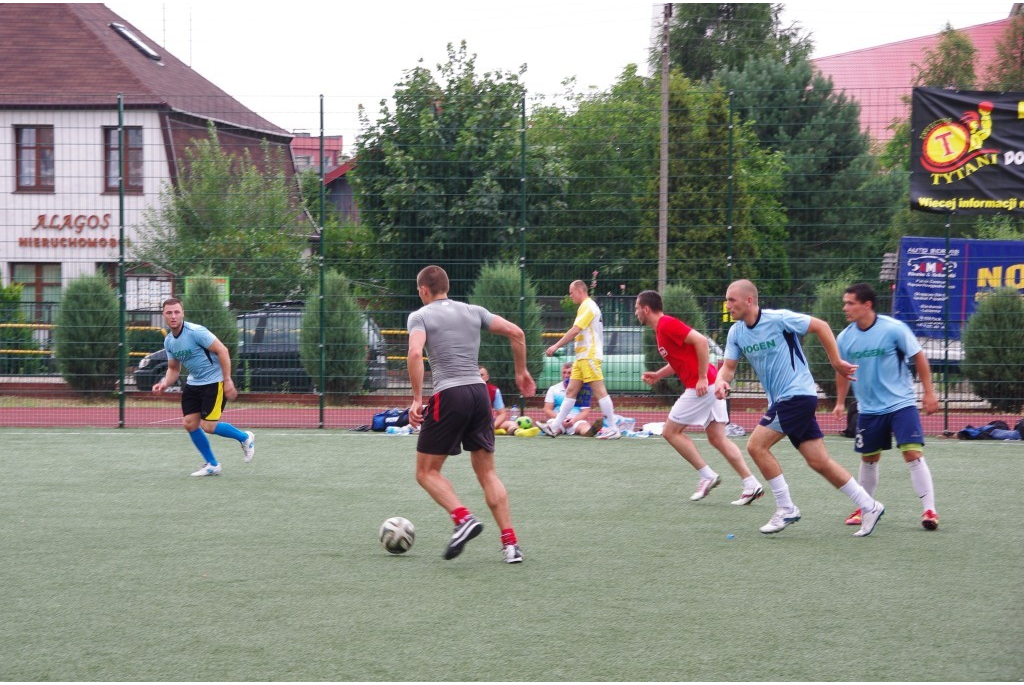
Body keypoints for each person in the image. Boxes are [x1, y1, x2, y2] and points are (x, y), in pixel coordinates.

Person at [713, 279, 885, 537]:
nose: (728, 305)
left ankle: (786, 507)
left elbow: (821, 326)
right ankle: (869, 506)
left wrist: (836, 361)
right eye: (727, 300)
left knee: (756, 446)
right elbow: (727, 368)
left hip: (797, 395)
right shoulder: (736, 333)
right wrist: (720, 382)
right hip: (785, 400)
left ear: (749, 300)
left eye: (732, 300)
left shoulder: (778, 319)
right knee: (819, 461)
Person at [407, 265, 536, 564]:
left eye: (419, 291)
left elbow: (415, 354)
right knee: (487, 472)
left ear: (424, 290)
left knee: (426, 472)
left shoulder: (420, 316)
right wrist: (521, 371)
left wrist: (416, 399)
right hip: (480, 395)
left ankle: (463, 518)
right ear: (446, 287)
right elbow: (517, 332)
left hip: (449, 394)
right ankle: (511, 545)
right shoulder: (474, 311)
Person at [634, 290, 764, 505]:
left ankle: (707, 475)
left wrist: (702, 378)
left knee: (670, 432)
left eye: (637, 308)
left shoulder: (666, 324)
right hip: (709, 384)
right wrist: (658, 374)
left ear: (646, 309)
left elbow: (701, 342)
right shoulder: (660, 330)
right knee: (717, 438)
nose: (636, 312)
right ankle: (751, 484)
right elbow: (681, 358)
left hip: (702, 387)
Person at [832, 282, 940, 530]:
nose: (844, 307)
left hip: (901, 404)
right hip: (868, 409)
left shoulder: (894, 329)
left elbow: (919, 357)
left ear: (867, 305)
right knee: (869, 458)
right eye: (844, 302)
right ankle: (865, 508)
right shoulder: (845, 337)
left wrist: (930, 393)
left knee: (912, 453)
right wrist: (840, 401)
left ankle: (929, 510)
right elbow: (842, 369)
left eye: (850, 303)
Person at [151, 297, 255, 476]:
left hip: (214, 382)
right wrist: (164, 383)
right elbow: (173, 368)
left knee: (209, 426)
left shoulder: (196, 332)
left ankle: (245, 437)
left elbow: (222, 350)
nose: (173, 316)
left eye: (177, 312)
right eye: (169, 313)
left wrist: (227, 380)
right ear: (164, 316)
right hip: (193, 383)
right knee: (190, 424)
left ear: (183, 313)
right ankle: (212, 464)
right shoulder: (169, 341)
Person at [541, 279, 621, 439]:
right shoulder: (586, 307)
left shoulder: (588, 306)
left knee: (599, 391)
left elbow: (575, 330)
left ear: (579, 291)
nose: (570, 296)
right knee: (571, 391)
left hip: (589, 356)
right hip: (581, 357)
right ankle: (555, 426)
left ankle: (613, 428)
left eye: (571, 293)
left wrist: (555, 346)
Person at [543, 361, 598, 437]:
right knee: (552, 425)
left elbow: (585, 411)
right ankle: (552, 430)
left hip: (575, 420)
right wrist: (561, 419)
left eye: (569, 373)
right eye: (564, 372)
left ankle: (590, 432)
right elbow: (547, 410)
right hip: (557, 419)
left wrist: (573, 420)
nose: (566, 375)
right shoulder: (553, 389)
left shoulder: (583, 390)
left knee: (584, 426)